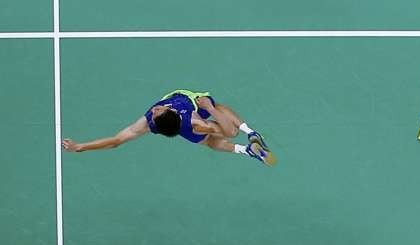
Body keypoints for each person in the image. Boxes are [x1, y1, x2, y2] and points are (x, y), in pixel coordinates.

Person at [62, 89, 276, 166]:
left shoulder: (153, 122)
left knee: (212, 137)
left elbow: (118, 141)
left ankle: (247, 145)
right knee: (219, 124)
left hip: (192, 122)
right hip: (195, 116)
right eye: (157, 112)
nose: (156, 109)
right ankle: (251, 138)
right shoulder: (184, 120)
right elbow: (116, 141)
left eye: (158, 111)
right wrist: (80, 147)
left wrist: (80, 147)